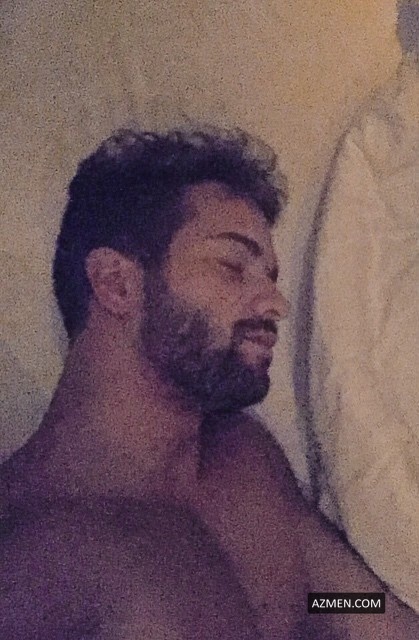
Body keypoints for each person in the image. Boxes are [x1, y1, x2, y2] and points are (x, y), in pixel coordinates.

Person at [0, 127, 417, 639]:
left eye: (270, 277)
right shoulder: (29, 555)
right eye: (232, 266)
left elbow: (331, 599)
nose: (276, 304)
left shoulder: (243, 461)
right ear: (117, 284)